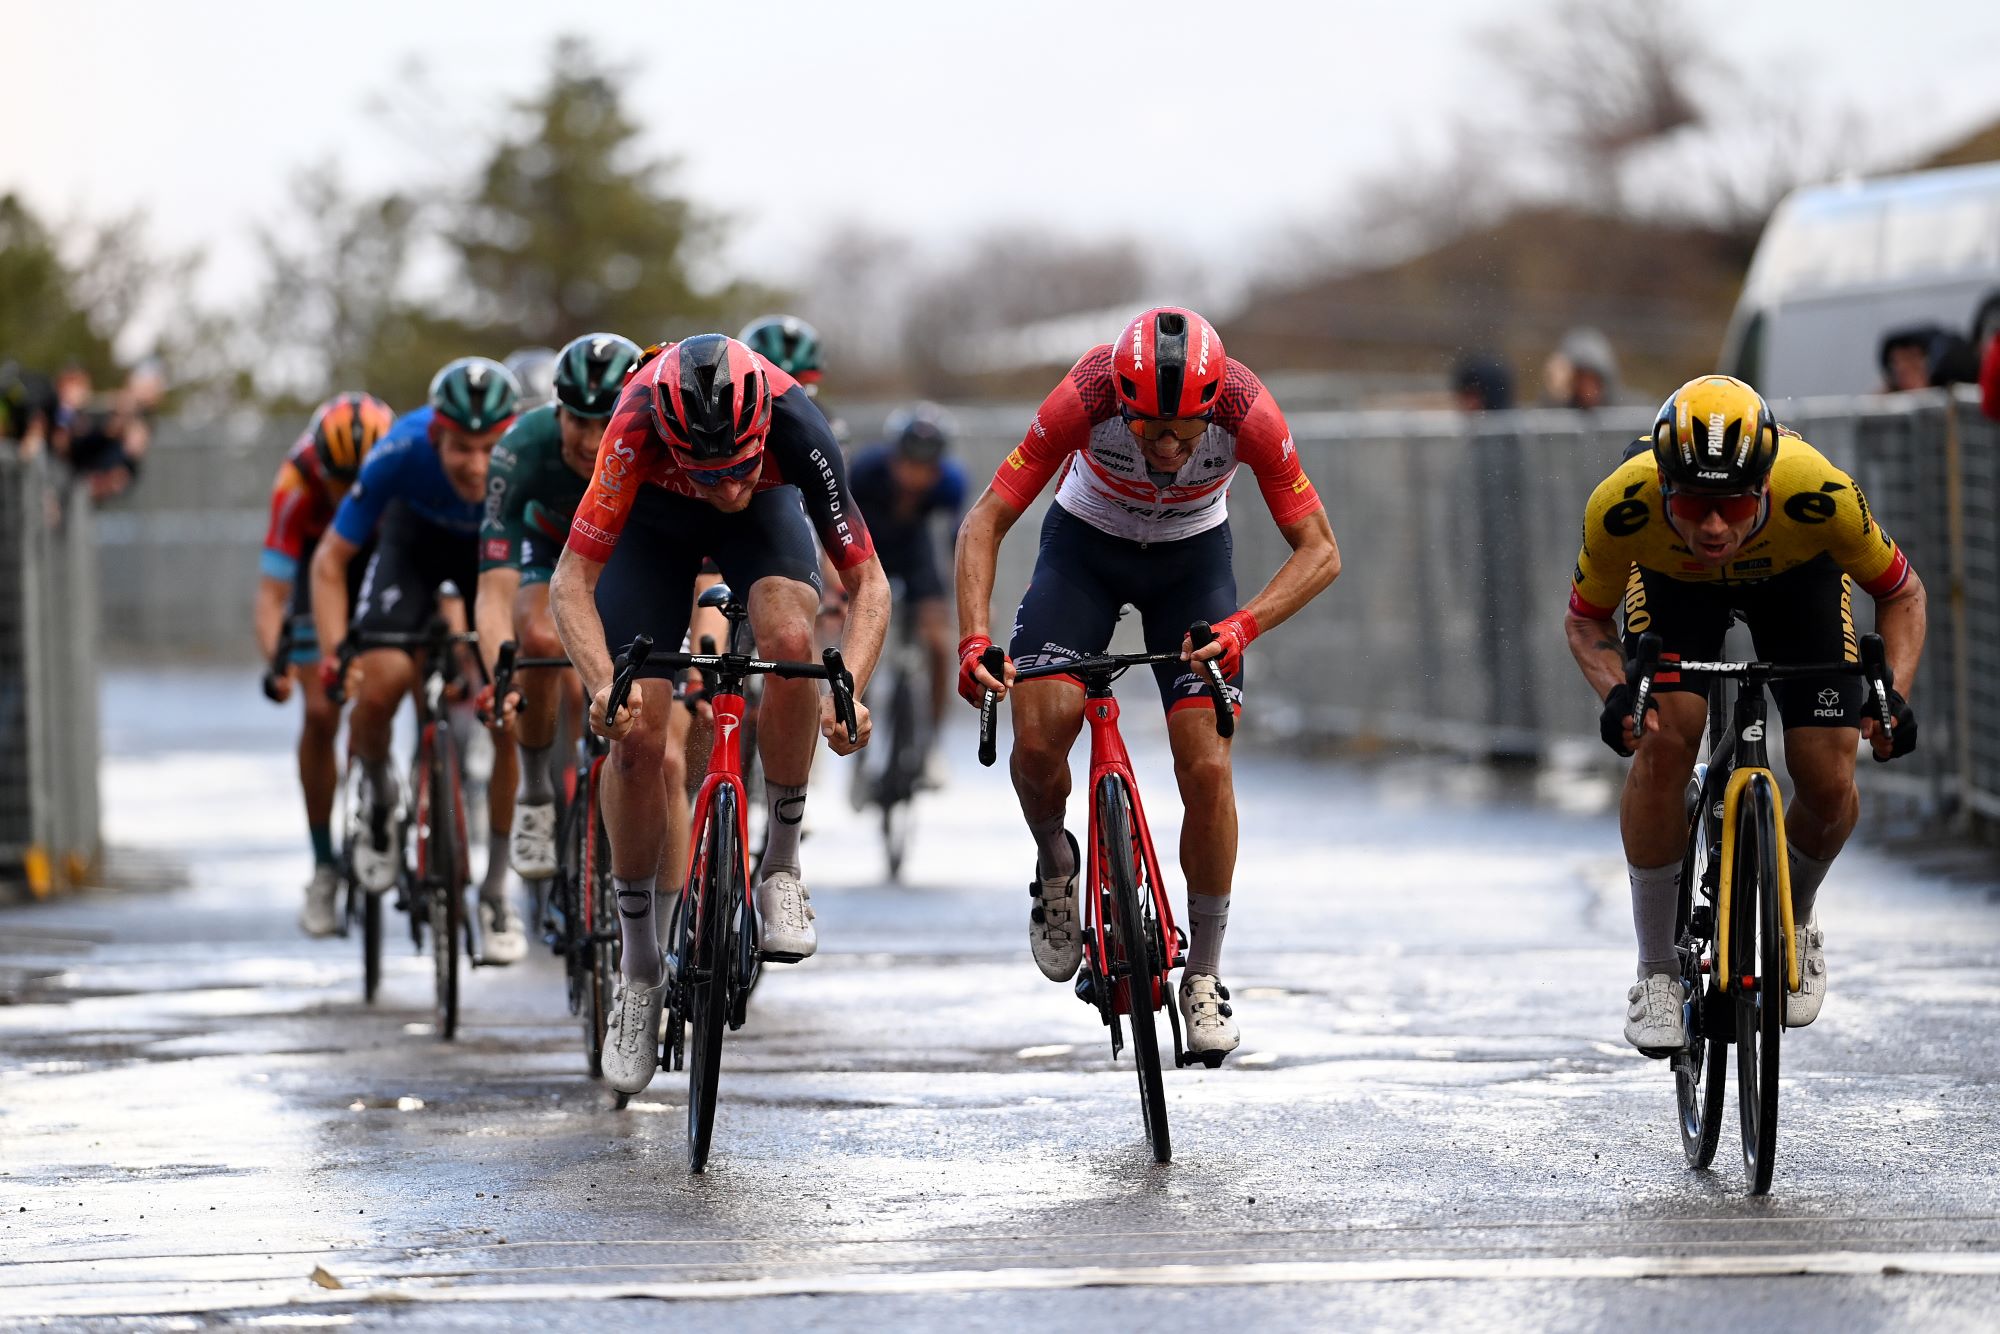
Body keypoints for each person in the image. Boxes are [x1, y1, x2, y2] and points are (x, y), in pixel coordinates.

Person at [955, 307, 1342, 1060]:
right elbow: (986, 519)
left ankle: (1203, 974)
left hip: (1191, 567)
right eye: (1148, 430)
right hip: (1084, 554)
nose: (1166, 449)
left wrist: (1241, 627)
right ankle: (1056, 862)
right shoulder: (1088, 392)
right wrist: (975, 640)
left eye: (1184, 435)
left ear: (1212, 412)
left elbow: (1320, 551)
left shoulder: (1247, 410)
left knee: (1205, 763)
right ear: (1123, 406)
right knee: (1037, 740)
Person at [550, 332, 890, 1096]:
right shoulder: (632, 423)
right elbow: (571, 581)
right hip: (653, 528)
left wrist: (852, 688)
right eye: (710, 472)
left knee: (794, 640)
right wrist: (606, 685)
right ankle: (638, 970)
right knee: (638, 737)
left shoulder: (795, 420)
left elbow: (868, 582)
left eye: (738, 465)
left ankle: (781, 863)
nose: (725, 487)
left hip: (766, 529)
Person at [1563, 374, 1927, 1053]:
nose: (1712, 525)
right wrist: (1618, 694)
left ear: (1763, 486)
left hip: (1796, 579)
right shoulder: (1623, 505)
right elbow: (1586, 622)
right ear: (1664, 486)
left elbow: (1902, 594)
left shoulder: (1819, 494)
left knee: (1826, 776)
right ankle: (1658, 974)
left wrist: (1891, 696)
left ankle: (1794, 917)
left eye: (1732, 504)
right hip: (1673, 588)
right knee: (1666, 740)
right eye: (1694, 503)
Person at [310, 357, 529, 964]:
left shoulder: (527, 460)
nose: (476, 465)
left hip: (490, 559)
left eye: (490, 448)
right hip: (412, 549)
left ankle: (494, 891)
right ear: (437, 435)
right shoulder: (401, 449)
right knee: (381, 682)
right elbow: (329, 562)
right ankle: (379, 792)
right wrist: (335, 657)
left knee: (512, 702)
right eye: (461, 447)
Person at [474, 333, 646, 885]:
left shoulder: (656, 441)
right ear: (557, 410)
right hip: (549, 551)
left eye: (607, 421)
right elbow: (495, 585)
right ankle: (536, 791)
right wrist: (499, 671)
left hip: (632, 552)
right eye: (578, 421)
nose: (593, 440)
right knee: (542, 643)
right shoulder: (521, 446)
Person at [255, 392, 396, 935]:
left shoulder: (398, 468)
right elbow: (272, 594)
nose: (349, 497)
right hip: (319, 573)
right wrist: (278, 663)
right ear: (319, 465)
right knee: (320, 712)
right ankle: (322, 867)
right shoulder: (294, 484)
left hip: (383, 565)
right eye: (338, 482)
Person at [843, 403, 966, 774]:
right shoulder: (864, 472)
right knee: (861, 644)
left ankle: (931, 745)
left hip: (916, 557)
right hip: (867, 554)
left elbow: (955, 543)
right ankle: (857, 750)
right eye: (908, 464)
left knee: (940, 642)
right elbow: (836, 527)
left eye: (926, 468)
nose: (915, 477)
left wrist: (964, 599)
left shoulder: (951, 483)